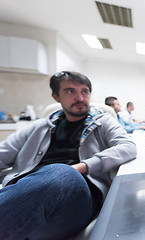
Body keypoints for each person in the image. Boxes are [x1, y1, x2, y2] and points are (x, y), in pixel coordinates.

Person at [0, 71, 137, 240]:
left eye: (85, 91)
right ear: (56, 96)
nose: (80, 98)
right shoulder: (38, 127)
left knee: (62, 173)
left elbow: (127, 146)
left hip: (75, 199)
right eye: (70, 91)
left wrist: (82, 167)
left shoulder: (102, 121)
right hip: (27, 198)